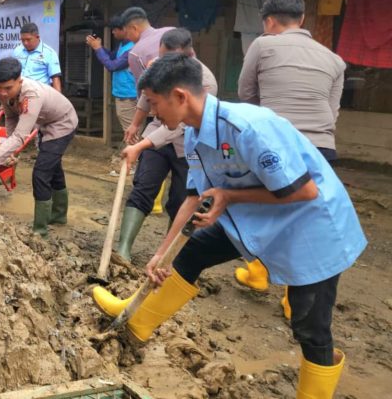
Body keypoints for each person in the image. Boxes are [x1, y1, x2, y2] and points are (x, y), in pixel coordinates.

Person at [92, 54, 366, 399]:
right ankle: (137, 319)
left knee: (310, 325)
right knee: (191, 251)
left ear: (180, 96)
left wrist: (228, 196)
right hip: (255, 216)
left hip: (310, 226)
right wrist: (161, 254)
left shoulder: (248, 127)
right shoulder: (193, 136)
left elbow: (305, 191)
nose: (152, 113)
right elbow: (194, 197)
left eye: (154, 103)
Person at [234, 0, 347, 316]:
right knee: (303, 220)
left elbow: (246, 93)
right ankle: (291, 300)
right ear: (302, 19)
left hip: (277, 144)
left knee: (258, 207)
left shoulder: (262, 45)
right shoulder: (335, 60)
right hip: (321, 148)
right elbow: (332, 111)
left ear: (269, 21)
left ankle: (258, 271)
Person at [115, 29, 217, 262]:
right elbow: (147, 97)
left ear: (187, 54)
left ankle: (169, 257)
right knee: (143, 186)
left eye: (167, 57)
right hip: (157, 133)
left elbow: (180, 125)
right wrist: (135, 124)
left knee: (182, 199)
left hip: (188, 144)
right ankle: (123, 250)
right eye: (161, 56)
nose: (162, 61)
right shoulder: (159, 68)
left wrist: (140, 146)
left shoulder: (205, 82)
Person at [0, 58, 78, 237]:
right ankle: (59, 216)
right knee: (53, 167)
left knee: (41, 173)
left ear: (19, 81)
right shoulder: (5, 93)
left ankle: (40, 230)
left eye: (8, 88)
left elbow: (20, 136)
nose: (3, 93)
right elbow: (11, 118)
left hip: (63, 124)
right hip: (46, 122)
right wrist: (7, 151)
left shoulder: (31, 95)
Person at [122, 6, 176, 143]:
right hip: (193, 101)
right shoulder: (172, 32)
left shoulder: (135, 53)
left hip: (165, 110)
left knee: (148, 147)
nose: (127, 37)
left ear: (134, 28)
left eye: (127, 33)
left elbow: (145, 92)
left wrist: (135, 124)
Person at [86, 14, 139, 133]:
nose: (113, 32)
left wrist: (98, 49)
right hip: (125, 94)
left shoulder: (132, 49)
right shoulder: (123, 45)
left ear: (124, 29)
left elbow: (112, 66)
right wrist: (99, 47)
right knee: (132, 131)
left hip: (129, 96)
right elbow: (111, 56)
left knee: (131, 133)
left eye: (115, 29)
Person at [12, 22, 62, 92]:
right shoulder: (17, 51)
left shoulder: (49, 53)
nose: (25, 43)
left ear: (37, 37)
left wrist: (58, 97)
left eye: (28, 39)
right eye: (23, 40)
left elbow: (55, 79)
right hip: (20, 92)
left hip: (40, 93)